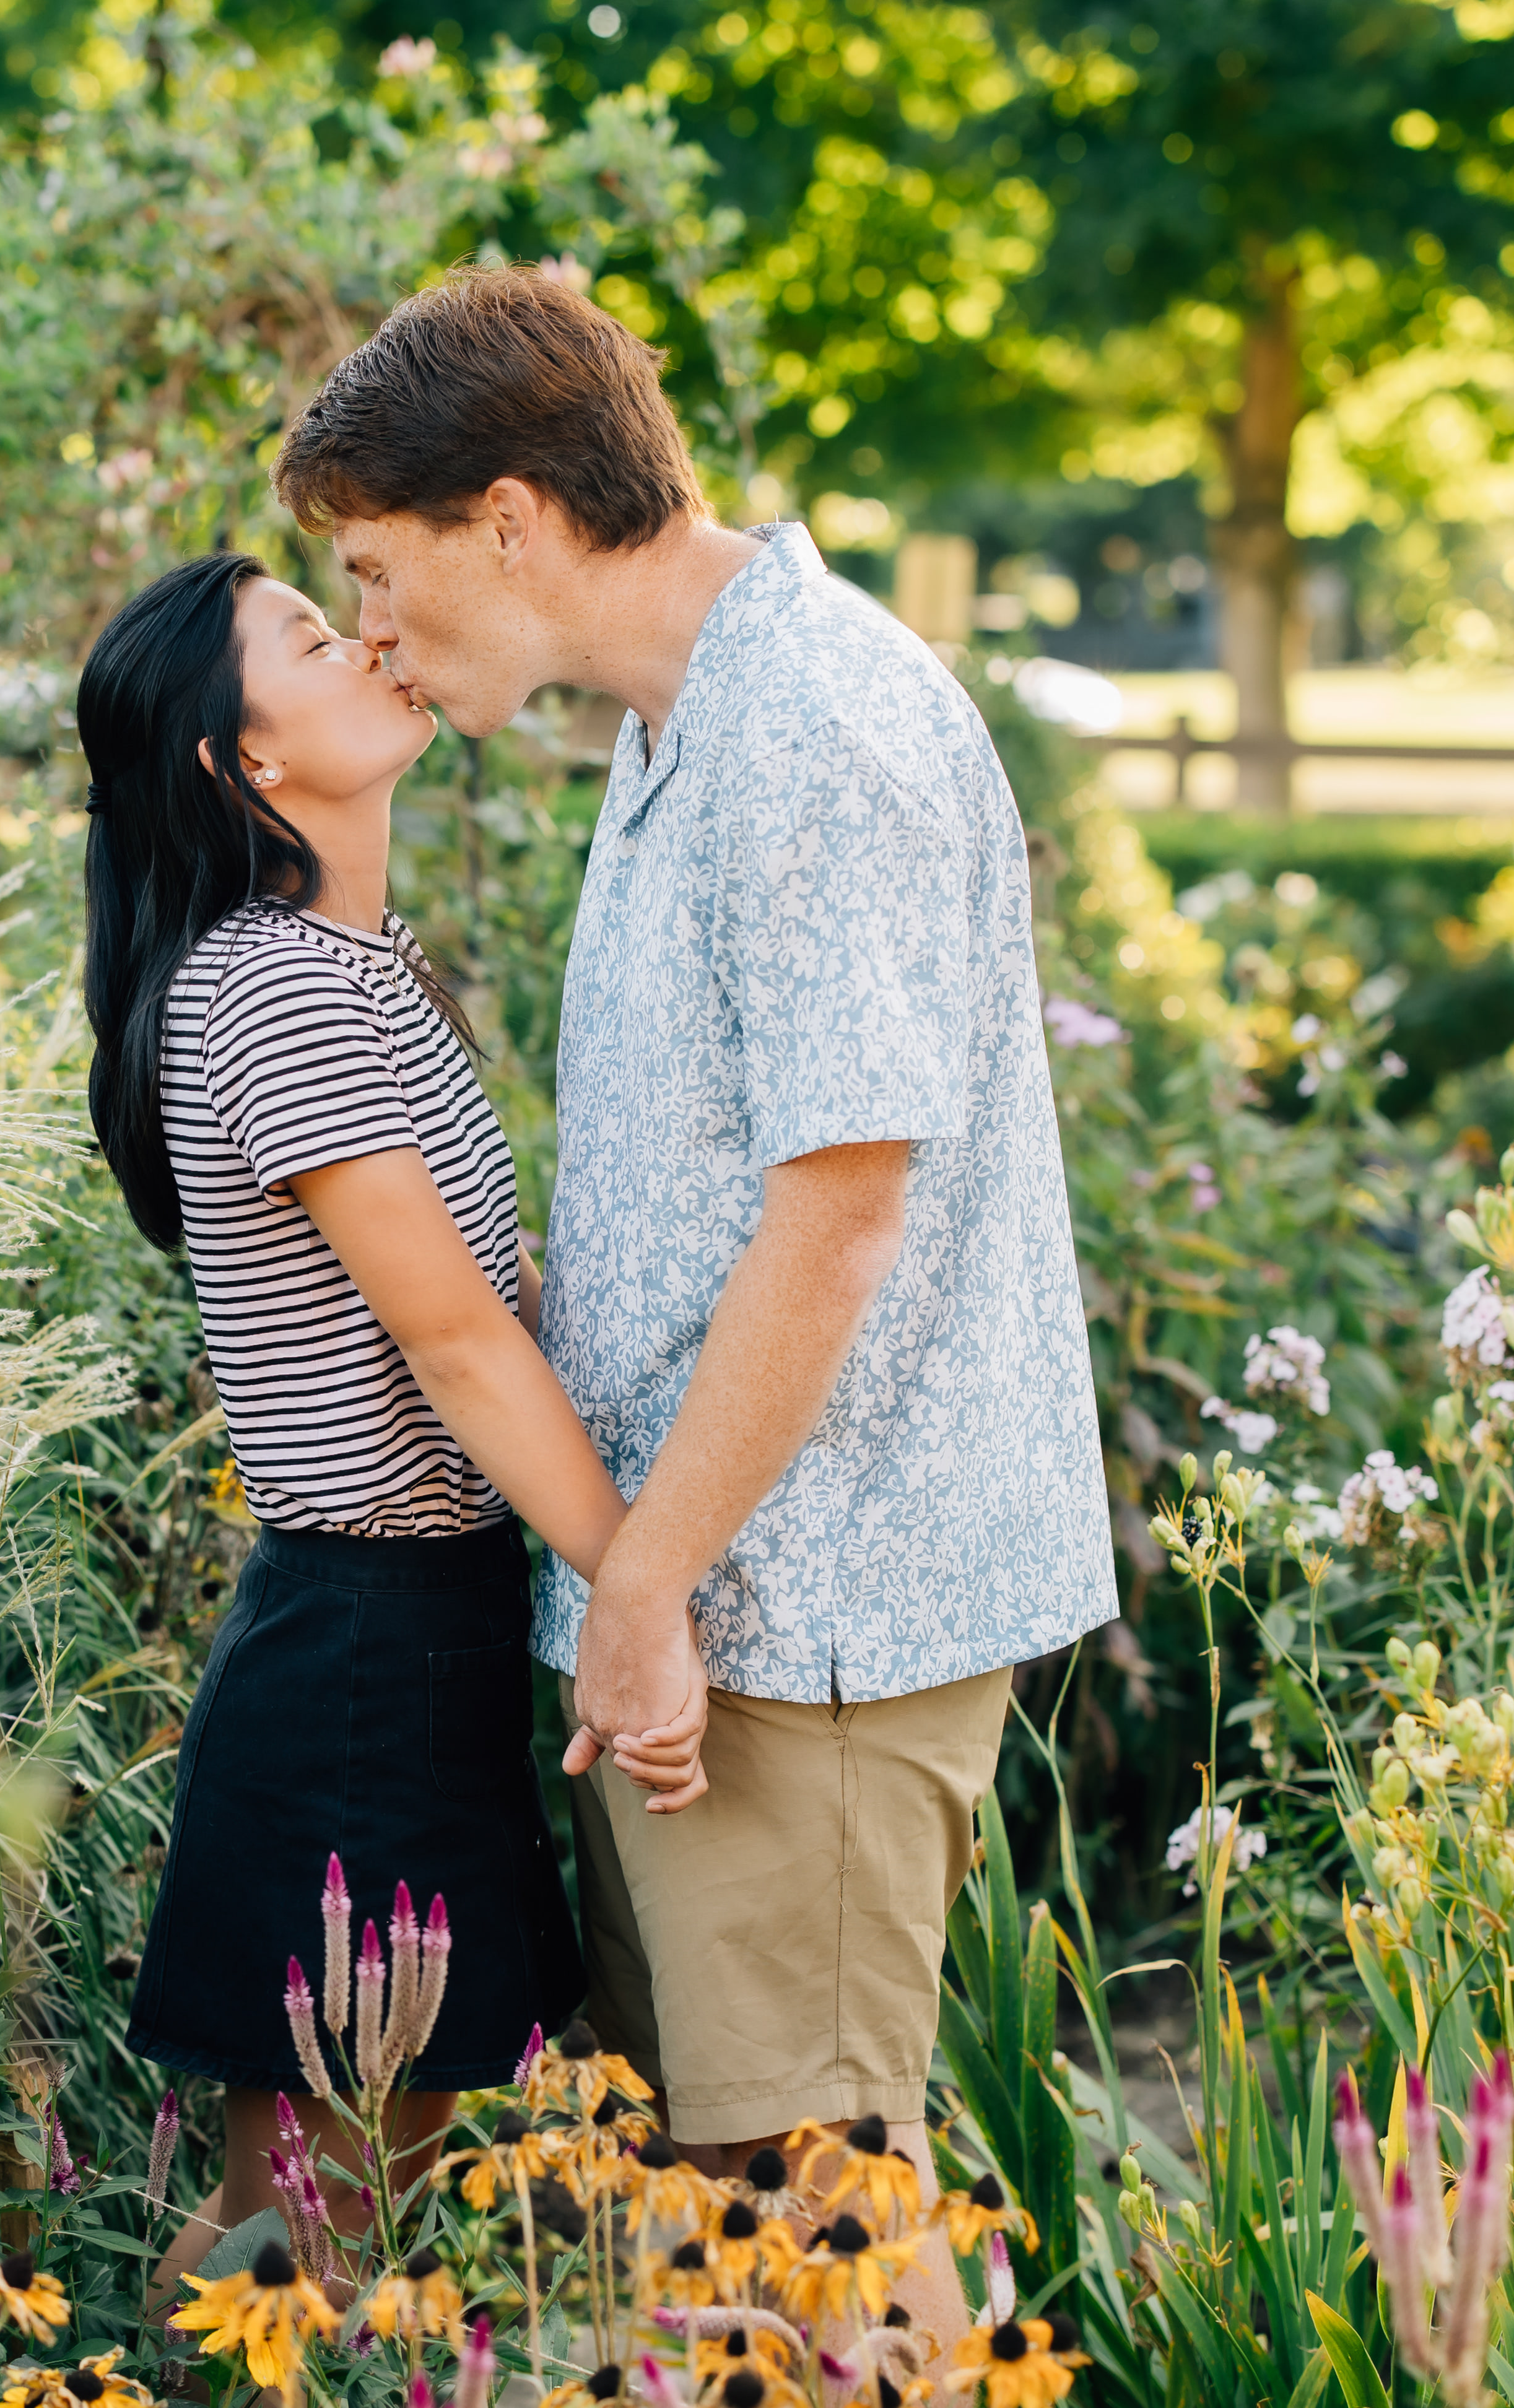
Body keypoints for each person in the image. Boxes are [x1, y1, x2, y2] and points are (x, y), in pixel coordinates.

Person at [271, 266, 1121, 2334]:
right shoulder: (681, 730)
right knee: (710, 2259)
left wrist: (647, 1581)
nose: (370, 632)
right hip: (702, 1615)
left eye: (378, 572)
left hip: (802, 1616)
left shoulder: (814, 728)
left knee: (811, 2249)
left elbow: (840, 1220)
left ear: (509, 518)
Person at [76, 553, 702, 2301]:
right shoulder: (274, 987)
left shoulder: (348, 967)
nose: (359, 638)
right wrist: (650, 1586)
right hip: (359, 1653)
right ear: (241, 760)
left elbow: (491, 1297)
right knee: (304, 2225)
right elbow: (461, 1348)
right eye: (301, 635)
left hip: (412, 1635)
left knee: (363, 2203)